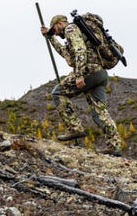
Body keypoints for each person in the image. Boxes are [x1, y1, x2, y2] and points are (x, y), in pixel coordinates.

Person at [41, 14, 123, 156]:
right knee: (100, 113)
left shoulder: (70, 29)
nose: (56, 32)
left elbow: (80, 51)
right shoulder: (78, 33)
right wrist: (50, 37)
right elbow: (67, 55)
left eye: (55, 29)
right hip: (100, 74)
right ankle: (114, 145)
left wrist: (79, 75)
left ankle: (75, 128)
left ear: (60, 23)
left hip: (88, 72)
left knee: (58, 93)